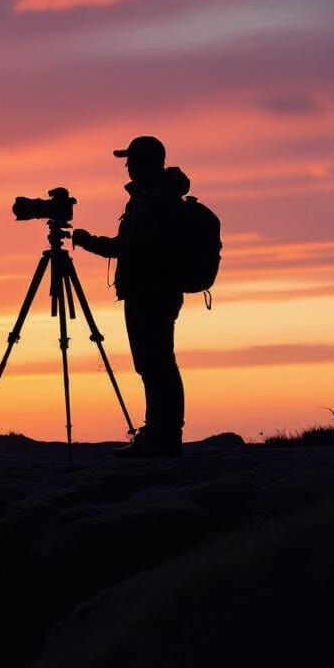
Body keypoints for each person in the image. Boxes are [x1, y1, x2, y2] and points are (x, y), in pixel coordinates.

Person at [72, 135, 188, 457]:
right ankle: (163, 434)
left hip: (149, 291)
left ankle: (160, 438)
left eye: (131, 162)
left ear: (143, 164)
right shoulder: (161, 196)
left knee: (155, 364)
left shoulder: (151, 200)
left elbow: (130, 248)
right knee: (159, 362)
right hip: (158, 290)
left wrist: (88, 241)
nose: (127, 168)